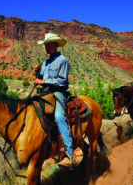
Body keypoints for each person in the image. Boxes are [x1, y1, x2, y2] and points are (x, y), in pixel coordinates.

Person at [34, 33, 77, 168]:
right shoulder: (45, 62)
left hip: (58, 92)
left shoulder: (63, 60)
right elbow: (41, 79)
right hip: (45, 92)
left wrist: (42, 80)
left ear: (54, 45)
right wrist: (37, 73)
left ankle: (70, 154)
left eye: (47, 45)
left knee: (58, 116)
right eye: (45, 45)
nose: (46, 47)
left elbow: (61, 81)